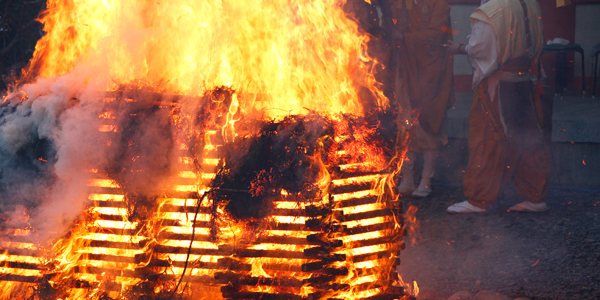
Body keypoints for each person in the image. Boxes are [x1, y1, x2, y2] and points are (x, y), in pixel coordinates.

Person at [445, 0, 551, 213]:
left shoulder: (493, 11)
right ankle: (535, 197)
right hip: (524, 82)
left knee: (487, 141)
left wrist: (460, 48)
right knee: (527, 138)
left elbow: (481, 48)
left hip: (498, 85)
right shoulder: (531, 4)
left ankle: (478, 199)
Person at [387, 0, 455, 198]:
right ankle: (407, 178)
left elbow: (437, 33)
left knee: (429, 124)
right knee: (405, 124)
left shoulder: (439, 4)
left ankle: (426, 180)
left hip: (431, 72)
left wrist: (404, 37)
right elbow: (393, 23)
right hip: (406, 68)